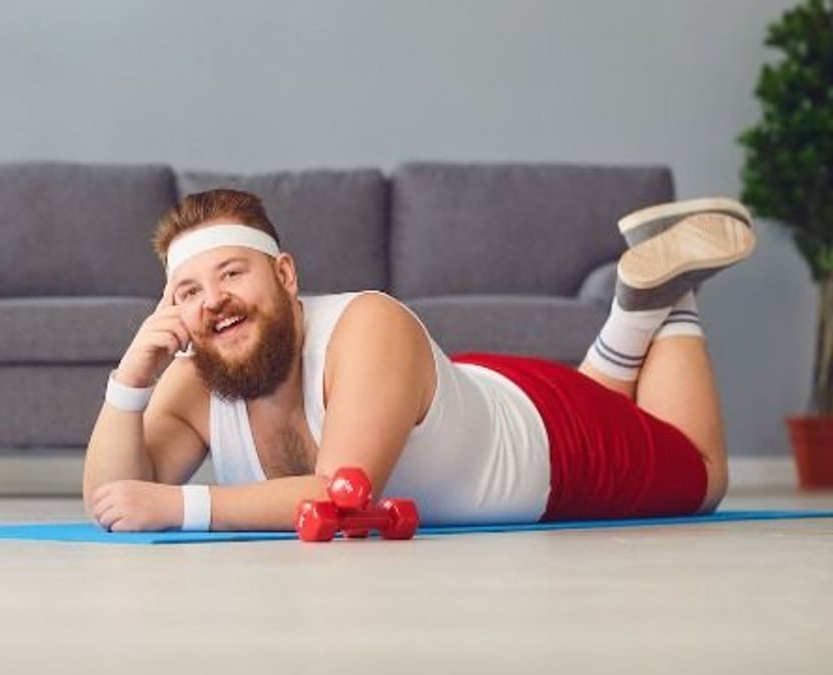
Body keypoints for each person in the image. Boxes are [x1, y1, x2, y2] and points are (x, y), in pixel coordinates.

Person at [82, 189, 755, 532]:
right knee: (607, 401)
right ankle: (638, 304)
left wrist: (181, 506)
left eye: (233, 273)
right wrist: (129, 383)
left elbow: (341, 492)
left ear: (285, 274)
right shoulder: (199, 373)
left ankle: (664, 295)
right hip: (477, 397)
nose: (214, 301)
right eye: (189, 291)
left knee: (703, 475)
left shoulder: (366, 324)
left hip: (558, 446)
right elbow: (111, 500)